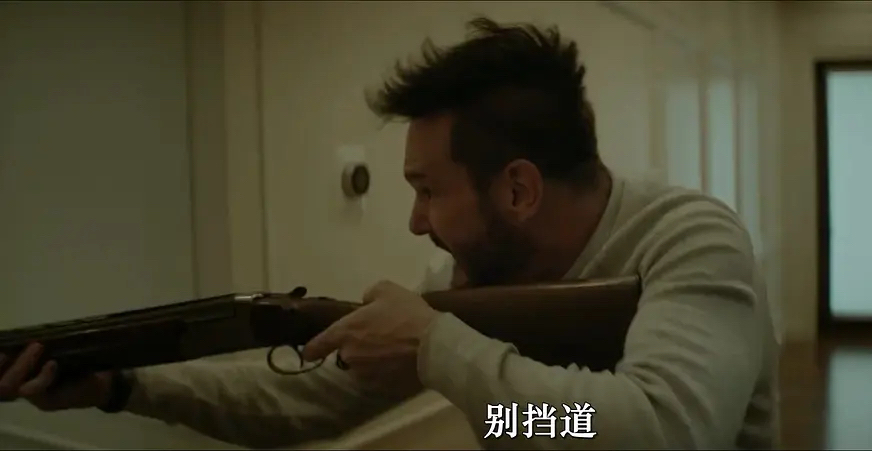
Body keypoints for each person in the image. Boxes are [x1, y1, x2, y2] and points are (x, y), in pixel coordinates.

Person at [0, 16, 776, 450]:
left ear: (518, 189)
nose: (414, 221)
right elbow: (307, 403)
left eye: (427, 190)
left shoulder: (690, 239)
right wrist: (124, 386)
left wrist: (437, 346)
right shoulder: (476, 284)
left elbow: (667, 430)